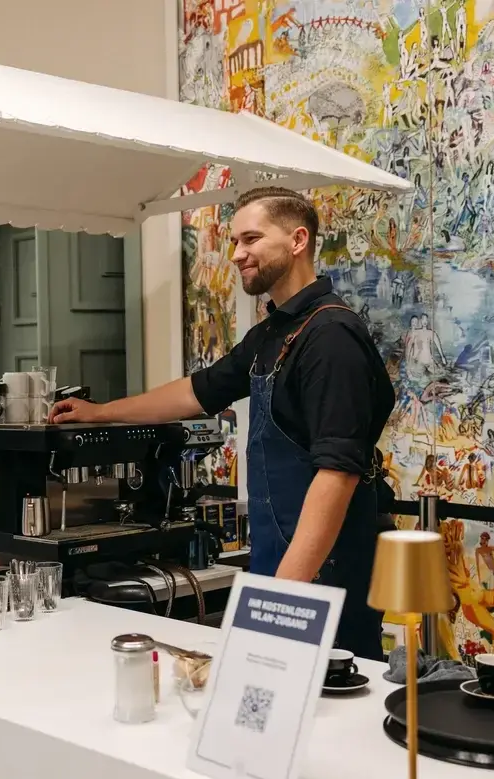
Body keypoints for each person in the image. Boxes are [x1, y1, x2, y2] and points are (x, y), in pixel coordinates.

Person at [50, 187, 395, 659]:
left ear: (297, 240)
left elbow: (337, 474)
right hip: (281, 560)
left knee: (333, 712)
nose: (237, 255)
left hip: (325, 575)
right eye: (235, 241)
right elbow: (197, 392)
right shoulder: (273, 333)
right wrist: (102, 412)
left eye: (251, 239)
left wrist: (282, 600)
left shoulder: (331, 337)